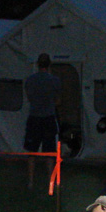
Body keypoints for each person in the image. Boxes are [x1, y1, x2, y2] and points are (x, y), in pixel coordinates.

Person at [24, 53, 61, 189]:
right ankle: (51, 182)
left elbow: (29, 98)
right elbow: (58, 100)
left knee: (32, 152)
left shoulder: (30, 80)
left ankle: (31, 182)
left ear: (38, 64)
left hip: (34, 118)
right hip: (48, 119)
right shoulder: (55, 80)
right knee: (50, 152)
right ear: (49, 64)